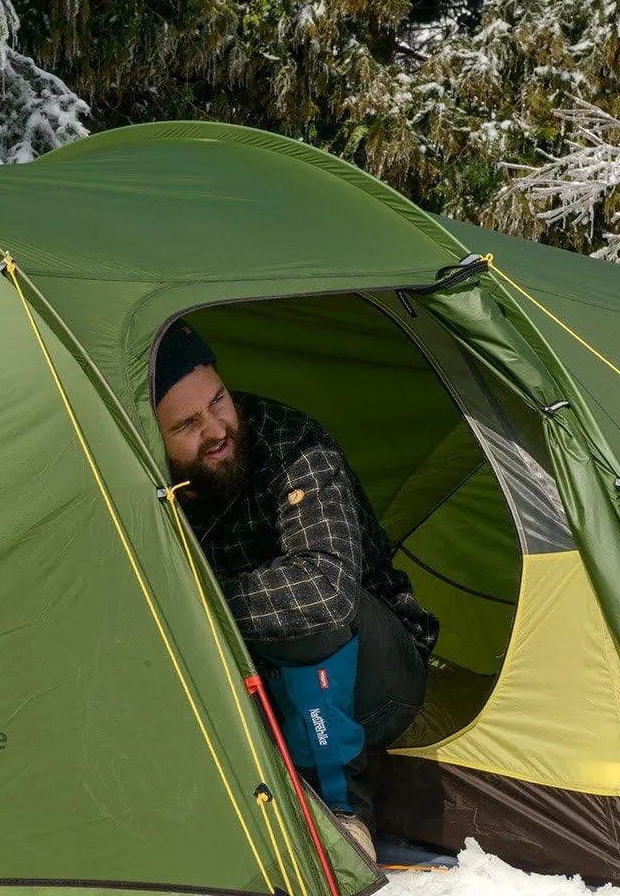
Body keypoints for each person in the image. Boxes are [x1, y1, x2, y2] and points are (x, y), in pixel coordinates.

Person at [152, 321, 437, 862]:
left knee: (306, 609)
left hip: (376, 679)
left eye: (219, 401)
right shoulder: (137, 480)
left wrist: (189, 604)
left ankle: (340, 815)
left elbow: (325, 589)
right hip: (249, 679)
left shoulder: (292, 444)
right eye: (188, 424)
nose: (216, 429)